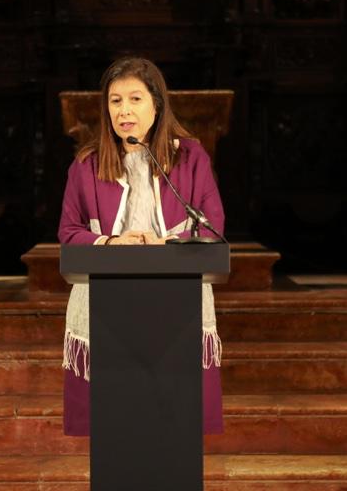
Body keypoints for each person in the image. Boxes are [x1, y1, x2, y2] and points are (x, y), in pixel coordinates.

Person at [58, 56, 225, 436]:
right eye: (115, 101)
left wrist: (166, 243)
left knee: (170, 418)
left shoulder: (191, 157)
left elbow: (212, 228)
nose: (124, 111)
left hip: (175, 296)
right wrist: (111, 242)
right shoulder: (86, 164)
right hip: (109, 298)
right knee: (119, 421)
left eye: (135, 99)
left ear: (157, 104)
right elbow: (69, 231)